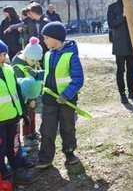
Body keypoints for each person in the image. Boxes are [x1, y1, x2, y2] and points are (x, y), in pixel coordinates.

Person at [34, 21, 84, 169]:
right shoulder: (48, 54)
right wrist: (37, 74)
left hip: (66, 101)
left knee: (67, 127)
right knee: (47, 129)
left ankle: (69, 152)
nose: (44, 40)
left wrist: (66, 95)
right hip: (49, 100)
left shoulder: (71, 55)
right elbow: (50, 74)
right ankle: (45, 158)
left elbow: (78, 79)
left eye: (46, 38)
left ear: (56, 38)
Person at [0, 40, 40, 184]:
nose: (2, 58)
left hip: (13, 117)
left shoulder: (9, 70)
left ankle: (18, 168)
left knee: (15, 145)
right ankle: (3, 172)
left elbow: (17, 92)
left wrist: (23, 112)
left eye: (4, 54)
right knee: (1, 148)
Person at [107, 0, 133, 104]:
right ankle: (122, 93)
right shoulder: (112, 7)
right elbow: (111, 24)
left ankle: (131, 91)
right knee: (121, 70)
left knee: (131, 69)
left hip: (131, 44)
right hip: (119, 44)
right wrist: (123, 16)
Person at [11, 37, 43, 148]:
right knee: (26, 115)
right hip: (24, 96)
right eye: (33, 60)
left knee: (32, 113)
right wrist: (29, 99)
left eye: (36, 61)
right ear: (26, 55)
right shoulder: (17, 65)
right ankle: (27, 135)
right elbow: (20, 84)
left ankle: (33, 131)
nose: (34, 63)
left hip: (32, 93)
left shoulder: (32, 60)